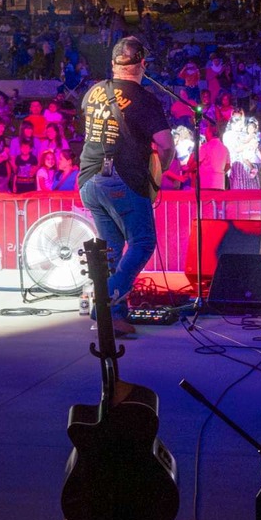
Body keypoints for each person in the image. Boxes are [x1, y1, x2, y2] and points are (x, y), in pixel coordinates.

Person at [76, 36, 175, 338]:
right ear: (143, 64)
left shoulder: (94, 91)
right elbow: (166, 145)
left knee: (112, 250)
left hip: (88, 178)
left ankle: (114, 317)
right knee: (143, 242)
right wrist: (162, 168)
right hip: (121, 178)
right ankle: (105, 300)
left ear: (113, 64)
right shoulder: (144, 99)